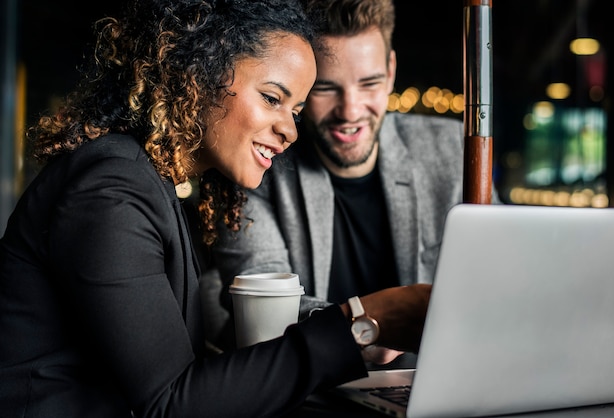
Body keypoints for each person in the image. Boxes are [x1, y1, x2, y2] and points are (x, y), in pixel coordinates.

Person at [0, 0, 433, 416]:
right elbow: (172, 403)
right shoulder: (110, 190)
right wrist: (362, 321)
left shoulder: (151, 184)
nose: (289, 131)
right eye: (271, 98)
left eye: (296, 111)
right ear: (198, 75)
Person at [211, 0, 499, 355]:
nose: (350, 110)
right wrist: (371, 325)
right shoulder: (256, 162)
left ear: (391, 72)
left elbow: (503, 279)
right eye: (327, 88)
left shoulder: (452, 151)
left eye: (369, 83)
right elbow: (265, 317)